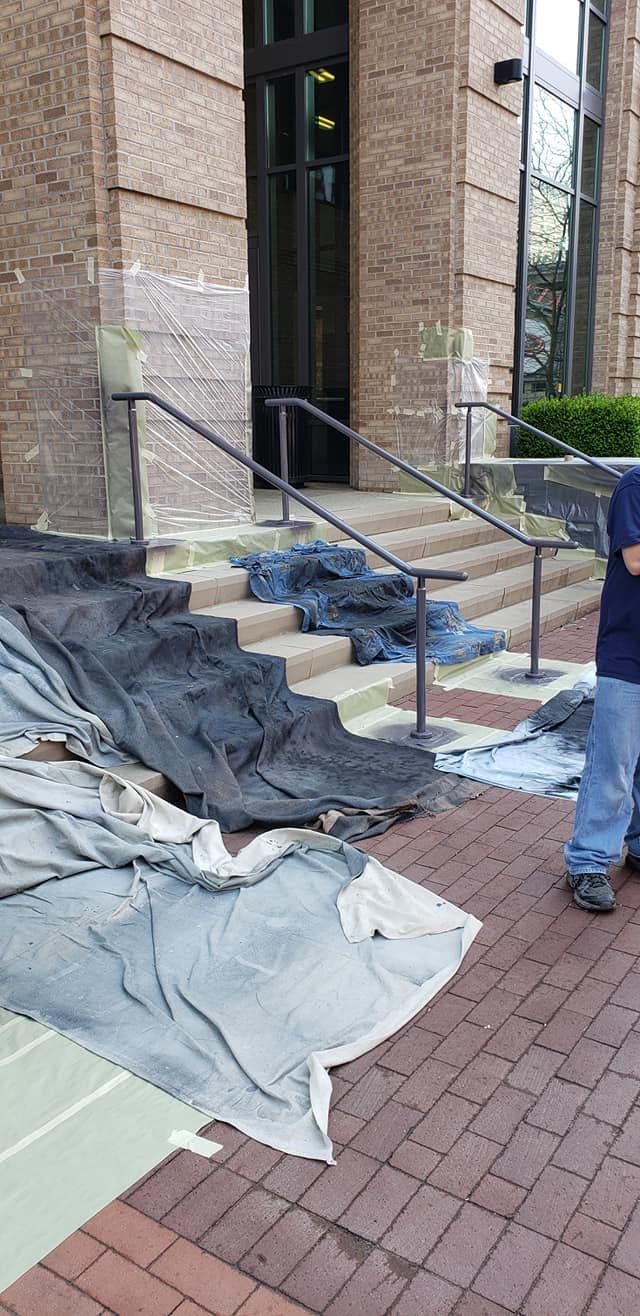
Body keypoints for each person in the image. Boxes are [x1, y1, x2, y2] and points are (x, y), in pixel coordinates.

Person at [565, 466, 640, 911]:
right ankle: (588, 862)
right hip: (627, 655)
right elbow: (635, 559)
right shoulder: (635, 486)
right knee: (614, 764)